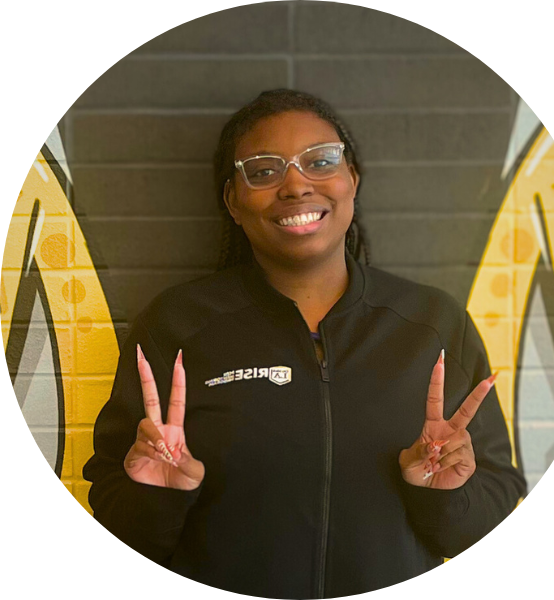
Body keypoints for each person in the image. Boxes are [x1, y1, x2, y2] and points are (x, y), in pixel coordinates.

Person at [83, 89, 526, 599]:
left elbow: (485, 521)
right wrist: (155, 498)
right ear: (232, 200)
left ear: (351, 179)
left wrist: (447, 496)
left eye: (320, 161)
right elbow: (121, 530)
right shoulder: (177, 325)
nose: (295, 184)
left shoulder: (432, 324)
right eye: (264, 171)